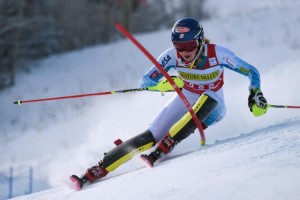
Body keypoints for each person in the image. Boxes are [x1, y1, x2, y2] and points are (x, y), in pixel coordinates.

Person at [70, 17, 268, 189]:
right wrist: (163, 84)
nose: (184, 52)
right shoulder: (171, 56)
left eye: (189, 46)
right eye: (179, 46)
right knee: (152, 134)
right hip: (187, 98)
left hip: (213, 106)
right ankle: (97, 169)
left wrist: (255, 92)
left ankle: (169, 142)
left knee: (208, 96)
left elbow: (251, 71)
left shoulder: (218, 54)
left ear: (200, 41)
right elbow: (146, 81)